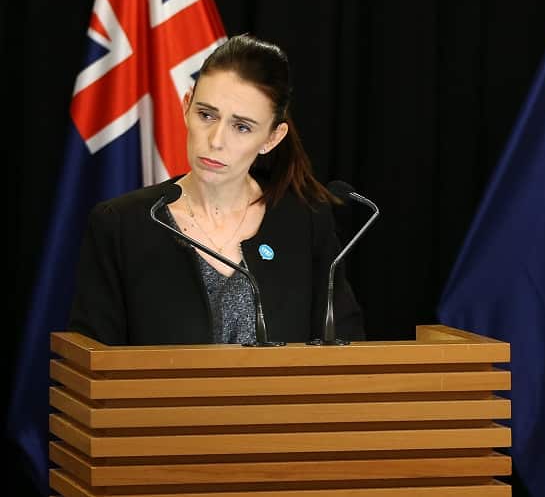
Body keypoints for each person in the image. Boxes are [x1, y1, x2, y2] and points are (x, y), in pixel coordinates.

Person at [69, 34, 363, 345]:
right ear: (186, 107)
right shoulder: (121, 224)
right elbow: (91, 365)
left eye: (242, 127)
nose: (216, 140)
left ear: (272, 139)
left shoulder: (306, 222)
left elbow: (345, 352)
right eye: (206, 115)